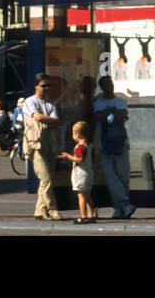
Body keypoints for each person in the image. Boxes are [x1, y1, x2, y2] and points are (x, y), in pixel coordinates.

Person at [93, 76, 135, 219]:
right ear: (101, 87)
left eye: (110, 83)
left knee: (123, 175)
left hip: (121, 142)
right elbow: (99, 117)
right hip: (104, 143)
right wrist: (113, 115)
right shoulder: (98, 103)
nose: (108, 86)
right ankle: (123, 204)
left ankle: (121, 206)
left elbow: (123, 113)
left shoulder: (121, 100)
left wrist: (109, 116)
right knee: (111, 176)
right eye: (105, 84)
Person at [23, 75, 62, 220]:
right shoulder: (29, 101)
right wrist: (49, 120)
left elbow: (57, 120)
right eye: (43, 85)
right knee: (45, 178)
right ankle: (53, 209)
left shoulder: (50, 105)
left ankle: (40, 210)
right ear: (36, 86)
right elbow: (38, 117)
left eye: (48, 86)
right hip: (35, 143)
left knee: (47, 178)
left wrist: (46, 119)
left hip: (50, 144)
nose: (46, 88)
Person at [58, 120, 96, 223]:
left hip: (81, 174)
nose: (72, 136)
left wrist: (67, 156)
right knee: (88, 195)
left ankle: (83, 216)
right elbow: (92, 160)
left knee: (81, 196)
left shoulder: (79, 147)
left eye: (73, 133)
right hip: (89, 172)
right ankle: (91, 215)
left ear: (77, 134)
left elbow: (79, 160)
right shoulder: (90, 146)